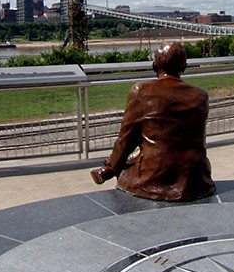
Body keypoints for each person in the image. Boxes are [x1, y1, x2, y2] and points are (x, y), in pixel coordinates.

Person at [91, 42, 216, 201]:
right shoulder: (201, 96)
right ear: (184, 67)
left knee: (125, 170)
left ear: (154, 66)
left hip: (154, 178)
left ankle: (108, 171)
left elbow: (126, 139)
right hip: (196, 178)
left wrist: (112, 166)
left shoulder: (141, 91)